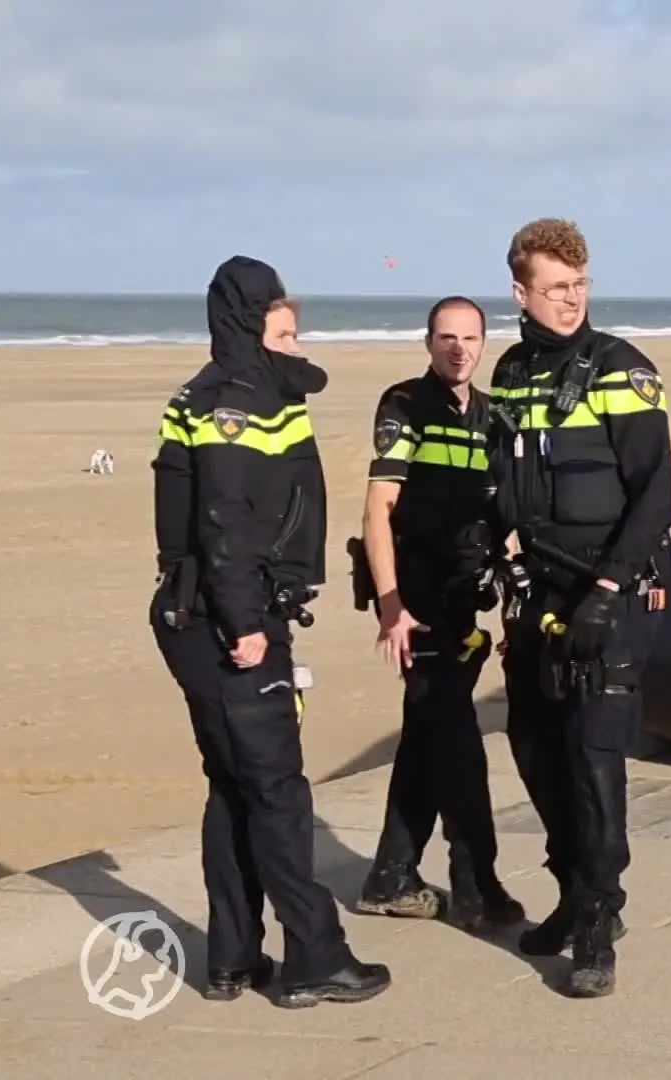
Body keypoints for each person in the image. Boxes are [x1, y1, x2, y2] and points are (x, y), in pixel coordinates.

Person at [149, 256, 390, 1007]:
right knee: (278, 792)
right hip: (226, 620)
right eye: (283, 335)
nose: (296, 347)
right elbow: (223, 521)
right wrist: (246, 623)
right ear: (248, 329)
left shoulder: (248, 392)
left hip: (217, 613)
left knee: (235, 787)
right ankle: (316, 957)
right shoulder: (233, 401)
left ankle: (232, 957)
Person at [488, 218, 671, 997]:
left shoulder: (621, 369)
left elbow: (657, 496)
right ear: (521, 293)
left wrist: (606, 591)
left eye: (580, 284)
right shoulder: (510, 373)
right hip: (540, 589)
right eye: (556, 287)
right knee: (534, 745)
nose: (571, 300)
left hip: (612, 587)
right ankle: (572, 887)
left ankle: (600, 920)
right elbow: (502, 479)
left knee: (593, 756)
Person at [351, 296, 526, 933]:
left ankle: (390, 876)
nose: (459, 349)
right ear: (429, 343)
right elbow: (378, 509)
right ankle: (477, 884)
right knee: (456, 742)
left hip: (465, 602)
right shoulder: (404, 405)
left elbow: (505, 522)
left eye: (470, 338)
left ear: (483, 344)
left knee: (429, 735)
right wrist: (390, 606)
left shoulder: (492, 417)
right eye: (447, 337)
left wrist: (516, 611)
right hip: (416, 606)